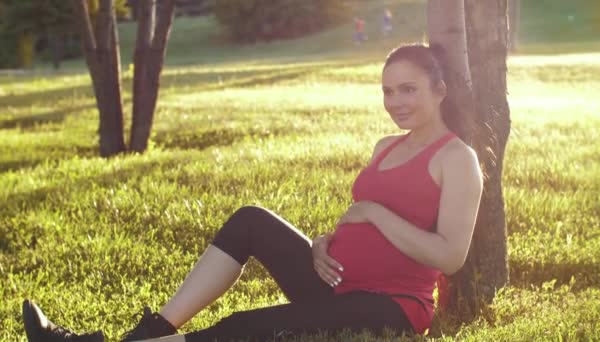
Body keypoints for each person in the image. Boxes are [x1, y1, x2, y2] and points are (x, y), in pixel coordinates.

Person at [22, 43, 483, 342]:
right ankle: (154, 330)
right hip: (337, 279)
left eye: (408, 89)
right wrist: (326, 241)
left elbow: (450, 256)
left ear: (440, 90)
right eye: (387, 91)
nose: (396, 102)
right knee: (250, 219)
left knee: (247, 327)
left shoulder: (456, 159)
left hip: (392, 305)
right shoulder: (387, 146)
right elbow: (361, 220)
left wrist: (373, 213)